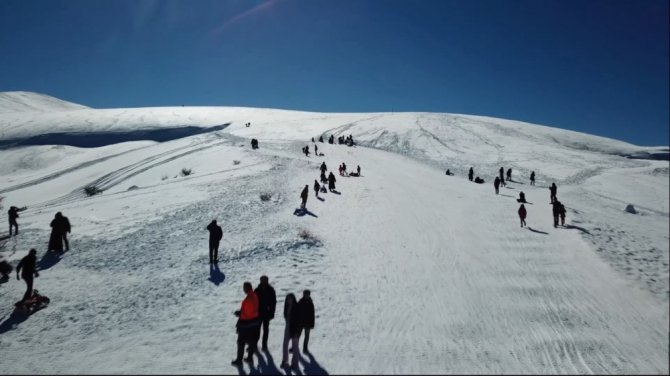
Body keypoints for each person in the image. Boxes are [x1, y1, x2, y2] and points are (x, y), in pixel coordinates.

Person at [232, 282, 260, 366]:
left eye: (244, 287)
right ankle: (249, 358)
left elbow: (247, 313)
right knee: (251, 341)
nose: (243, 289)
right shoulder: (254, 295)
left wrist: (239, 314)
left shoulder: (249, 299)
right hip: (254, 322)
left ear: (247, 288)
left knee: (241, 342)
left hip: (246, 324)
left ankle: (239, 360)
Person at [254, 276, 276, 351]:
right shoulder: (257, 290)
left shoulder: (271, 290)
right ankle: (254, 345)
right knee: (256, 330)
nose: (263, 282)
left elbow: (273, 303)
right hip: (258, 313)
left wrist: (272, 313)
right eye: (262, 280)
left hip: (267, 313)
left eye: (265, 280)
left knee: (265, 330)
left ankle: (264, 345)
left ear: (267, 281)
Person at [281, 293, 298, 369]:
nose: (289, 300)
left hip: (295, 329)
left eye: (290, 299)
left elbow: (299, 320)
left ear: (293, 299)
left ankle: (294, 363)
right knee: (285, 345)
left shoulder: (297, 307)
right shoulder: (286, 307)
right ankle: (285, 360)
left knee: (295, 347)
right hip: (287, 328)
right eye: (287, 299)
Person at [298, 290, 315, 354]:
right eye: (305, 294)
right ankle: (295, 347)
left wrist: (312, 324)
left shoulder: (310, 302)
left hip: (308, 323)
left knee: (307, 336)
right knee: (298, 335)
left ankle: (305, 348)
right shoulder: (301, 301)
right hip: (301, 322)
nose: (306, 296)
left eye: (307, 294)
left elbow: (312, 314)